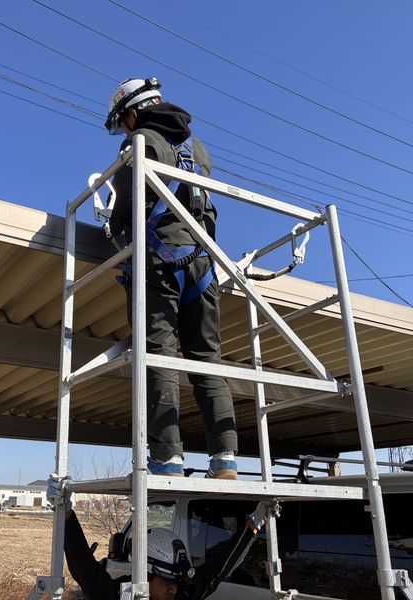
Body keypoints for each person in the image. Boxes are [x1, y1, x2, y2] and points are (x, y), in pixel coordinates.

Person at [104, 77, 237, 479]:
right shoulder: (198, 150)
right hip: (202, 264)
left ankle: (167, 459)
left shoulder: (139, 141)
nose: (125, 130)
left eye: (124, 122)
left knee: (159, 356)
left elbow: (126, 205)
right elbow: (207, 210)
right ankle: (226, 460)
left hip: (159, 262)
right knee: (207, 360)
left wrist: (113, 226)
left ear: (132, 112)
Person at [58, 483, 269, 600]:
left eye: (176, 582)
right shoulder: (117, 595)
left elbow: (220, 567)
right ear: (145, 574)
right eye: (168, 582)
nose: (174, 589)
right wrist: (65, 511)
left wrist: (254, 525)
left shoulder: (182, 596)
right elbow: (85, 568)